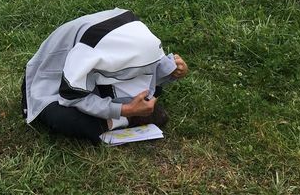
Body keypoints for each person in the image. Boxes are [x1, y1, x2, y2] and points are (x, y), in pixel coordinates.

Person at [22, 8, 189, 144]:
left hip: (102, 79)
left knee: (151, 93)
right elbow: (70, 96)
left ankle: (125, 115)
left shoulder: (140, 38)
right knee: (61, 118)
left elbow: (150, 71)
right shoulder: (88, 51)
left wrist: (173, 71)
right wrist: (125, 111)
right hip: (58, 81)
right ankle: (125, 119)